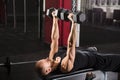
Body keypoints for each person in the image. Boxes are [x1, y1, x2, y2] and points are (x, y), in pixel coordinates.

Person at [35, 11, 120, 76]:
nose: (46, 58)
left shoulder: (52, 57)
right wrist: (73, 23)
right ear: (48, 70)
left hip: (85, 52)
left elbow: (54, 38)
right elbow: (71, 44)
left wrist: (55, 19)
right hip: (94, 60)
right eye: (45, 60)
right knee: (117, 60)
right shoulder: (64, 66)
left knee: (91, 49)